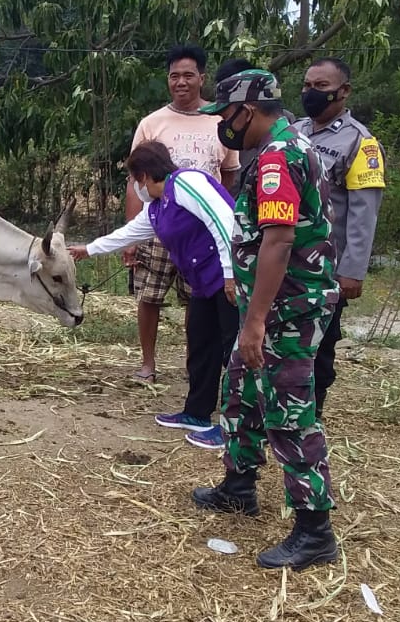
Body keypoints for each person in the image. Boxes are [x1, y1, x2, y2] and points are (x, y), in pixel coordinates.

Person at [192, 69, 341, 570]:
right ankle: (238, 486)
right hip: (269, 305)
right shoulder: (285, 146)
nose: (223, 125)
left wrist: (255, 321)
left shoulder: (279, 155)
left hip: (287, 309)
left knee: (289, 409)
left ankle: (314, 529)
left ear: (247, 111)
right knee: (240, 390)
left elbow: (279, 240)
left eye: (225, 114)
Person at [69, 141, 239, 447]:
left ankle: (236, 428)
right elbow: (129, 233)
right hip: (202, 281)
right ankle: (197, 413)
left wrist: (230, 273)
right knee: (201, 344)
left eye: (135, 180)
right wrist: (88, 249)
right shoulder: (158, 207)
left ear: (144, 176)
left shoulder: (187, 183)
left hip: (227, 278)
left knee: (234, 350)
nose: (135, 187)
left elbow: (223, 220)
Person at [122, 45, 241, 384]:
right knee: (149, 296)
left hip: (202, 235)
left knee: (197, 300)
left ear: (202, 78)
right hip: (159, 227)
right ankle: (148, 364)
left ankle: (195, 364)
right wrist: (131, 236)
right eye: (174, 76)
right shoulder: (152, 123)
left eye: (188, 75)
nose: (181, 82)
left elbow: (227, 176)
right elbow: (135, 180)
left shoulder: (220, 121)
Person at [294, 58, 386, 419]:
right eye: (307, 85)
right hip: (285, 259)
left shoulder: (361, 143)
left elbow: (365, 212)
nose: (311, 93)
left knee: (320, 344)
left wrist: (353, 271)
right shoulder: (293, 131)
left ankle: (310, 417)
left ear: (343, 91)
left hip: (326, 268)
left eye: (321, 87)